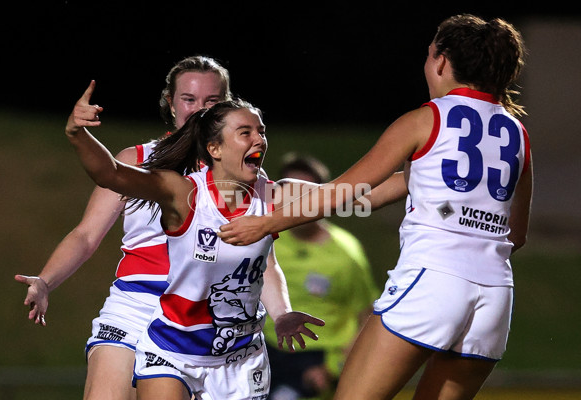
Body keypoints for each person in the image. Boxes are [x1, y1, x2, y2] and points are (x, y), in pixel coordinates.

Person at [218, 14, 533, 400]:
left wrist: (264, 224)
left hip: (432, 280)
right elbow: (515, 234)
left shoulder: (426, 119)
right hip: (495, 296)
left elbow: (339, 195)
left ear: (442, 61)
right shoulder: (517, 133)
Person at [14, 56, 293, 400]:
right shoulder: (137, 160)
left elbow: (264, 263)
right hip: (139, 304)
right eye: (189, 99)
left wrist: (283, 314)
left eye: (212, 102)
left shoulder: (248, 176)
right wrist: (45, 281)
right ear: (170, 102)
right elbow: (87, 235)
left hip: (207, 320)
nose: (199, 109)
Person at [64, 85, 325, 400]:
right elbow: (111, 174)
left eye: (261, 131)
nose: (259, 139)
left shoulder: (272, 194)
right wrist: (78, 134)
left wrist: (403, 176)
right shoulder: (185, 194)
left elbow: (358, 194)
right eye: (246, 132)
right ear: (214, 148)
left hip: (239, 357)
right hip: (173, 350)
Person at [264, 152, 379, 400]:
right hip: (264, 350)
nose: (297, 202)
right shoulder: (266, 238)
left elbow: (367, 317)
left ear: (324, 198)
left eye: (306, 195)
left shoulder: (345, 253)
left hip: (314, 359)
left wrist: (333, 367)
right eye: (289, 193)